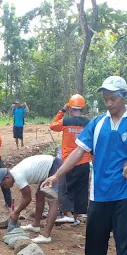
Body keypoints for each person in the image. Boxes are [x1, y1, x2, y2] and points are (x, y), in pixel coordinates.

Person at [42, 76, 127, 255]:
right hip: (99, 193)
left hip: (124, 194)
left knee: (124, 242)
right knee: (95, 243)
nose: (109, 103)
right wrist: (57, 176)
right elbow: (78, 152)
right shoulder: (96, 123)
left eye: (113, 99)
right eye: (105, 99)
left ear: (123, 97)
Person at [0, 154, 62, 243]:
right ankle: (36, 225)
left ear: (7, 177)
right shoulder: (15, 173)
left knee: (53, 200)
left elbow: (27, 198)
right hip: (48, 169)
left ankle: (46, 236)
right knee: (39, 195)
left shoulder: (17, 175)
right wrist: (16, 212)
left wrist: (16, 212)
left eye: (3, 184)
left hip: (54, 167)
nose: (4, 187)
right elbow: (27, 196)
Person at [49, 94, 91, 225]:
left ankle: (67, 214)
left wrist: (62, 110)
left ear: (70, 108)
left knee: (65, 188)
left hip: (68, 162)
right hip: (84, 161)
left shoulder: (66, 122)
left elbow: (53, 126)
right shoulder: (88, 123)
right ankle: (76, 217)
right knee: (81, 189)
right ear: (82, 108)